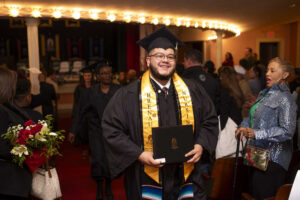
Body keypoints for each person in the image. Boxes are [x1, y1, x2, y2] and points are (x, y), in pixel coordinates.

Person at [101, 27, 218, 199]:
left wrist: (201, 145)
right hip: (145, 177)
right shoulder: (128, 95)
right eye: (159, 55)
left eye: (170, 56)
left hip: (186, 175)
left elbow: (210, 120)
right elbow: (111, 129)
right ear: (147, 61)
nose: (165, 60)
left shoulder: (193, 90)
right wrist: (139, 154)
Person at [235, 57, 297, 200]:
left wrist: (257, 134)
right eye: (267, 70)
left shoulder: (286, 98)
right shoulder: (264, 94)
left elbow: (287, 131)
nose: (267, 73)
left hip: (273, 161)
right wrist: (243, 127)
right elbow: (252, 117)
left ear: (285, 75)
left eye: (272, 70)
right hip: (256, 157)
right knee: (252, 194)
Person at [69, 62, 120, 200]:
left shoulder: (118, 90)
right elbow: (80, 112)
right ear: (97, 76)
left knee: (110, 160)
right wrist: (73, 131)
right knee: (98, 160)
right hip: (96, 132)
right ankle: (99, 187)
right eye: (103, 73)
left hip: (113, 132)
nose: (107, 75)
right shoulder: (90, 92)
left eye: (109, 72)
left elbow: (125, 112)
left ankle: (108, 187)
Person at [0, 68, 32, 199]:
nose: (14, 88)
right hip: (8, 180)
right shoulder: (1, 110)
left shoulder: (6, 106)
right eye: (12, 84)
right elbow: (2, 147)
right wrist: (25, 149)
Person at [215, 66, 243, 158]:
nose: (219, 79)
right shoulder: (237, 91)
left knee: (224, 158)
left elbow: (224, 113)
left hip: (228, 126)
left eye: (220, 77)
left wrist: (221, 131)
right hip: (237, 125)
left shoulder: (224, 91)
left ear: (224, 77)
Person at [182, 49, 221, 115]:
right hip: (210, 120)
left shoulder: (183, 80)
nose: (183, 63)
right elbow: (218, 104)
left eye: (184, 61)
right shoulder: (212, 79)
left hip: (192, 120)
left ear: (188, 61)